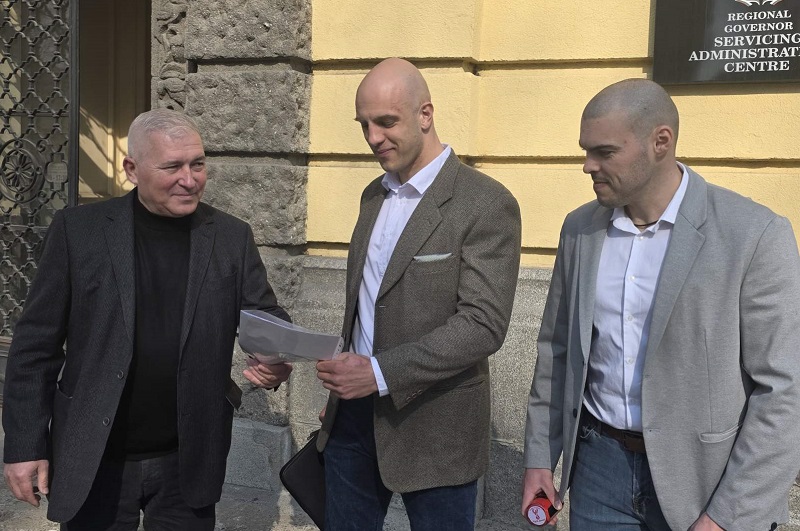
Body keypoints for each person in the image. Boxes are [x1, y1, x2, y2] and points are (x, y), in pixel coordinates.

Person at [522, 78, 800, 530]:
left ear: (661, 142)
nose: (588, 166)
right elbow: (557, 350)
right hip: (597, 470)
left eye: (605, 152)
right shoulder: (580, 230)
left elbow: (785, 392)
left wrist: (728, 516)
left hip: (705, 483)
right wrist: (539, 457)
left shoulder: (753, 234)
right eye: (586, 151)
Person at [2, 108, 292, 530]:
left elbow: (264, 315)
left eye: (197, 164)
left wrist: (276, 357)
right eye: (172, 167)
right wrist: (25, 445)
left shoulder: (231, 235)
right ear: (132, 169)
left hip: (189, 458)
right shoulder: (78, 231)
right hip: (95, 454)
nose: (189, 179)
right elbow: (35, 346)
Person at [314, 57, 521, 530]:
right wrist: (347, 386)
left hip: (437, 428)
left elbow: (483, 325)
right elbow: (366, 304)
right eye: (364, 125)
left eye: (387, 122)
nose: (373, 138)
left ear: (425, 114)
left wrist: (378, 373)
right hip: (351, 421)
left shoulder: (486, 202)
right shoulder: (373, 195)